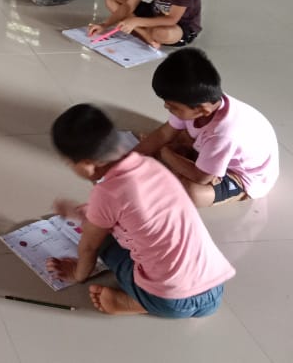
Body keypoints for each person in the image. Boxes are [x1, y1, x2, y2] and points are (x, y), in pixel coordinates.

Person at [46, 103, 235, 318]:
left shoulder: (106, 193)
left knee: (106, 244)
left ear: (87, 164)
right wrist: (79, 211)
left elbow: (89, 247)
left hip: (170, 300)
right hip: (213, 288)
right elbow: (134, 207)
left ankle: (131, 302)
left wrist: (78, 274)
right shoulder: (152, 166)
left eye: (69, 163)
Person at [136, 48, 279, 208]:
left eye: (172, 106)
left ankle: (183, 165)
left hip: (244, 175)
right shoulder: (198, 100)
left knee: (193, 193)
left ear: (202, 110)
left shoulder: (223, 134)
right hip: (219, 147)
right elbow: (163, 133)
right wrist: (132, 155)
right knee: (171, 135)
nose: (166, 107)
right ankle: (187, 161)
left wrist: (165, 153)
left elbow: (201, 177)